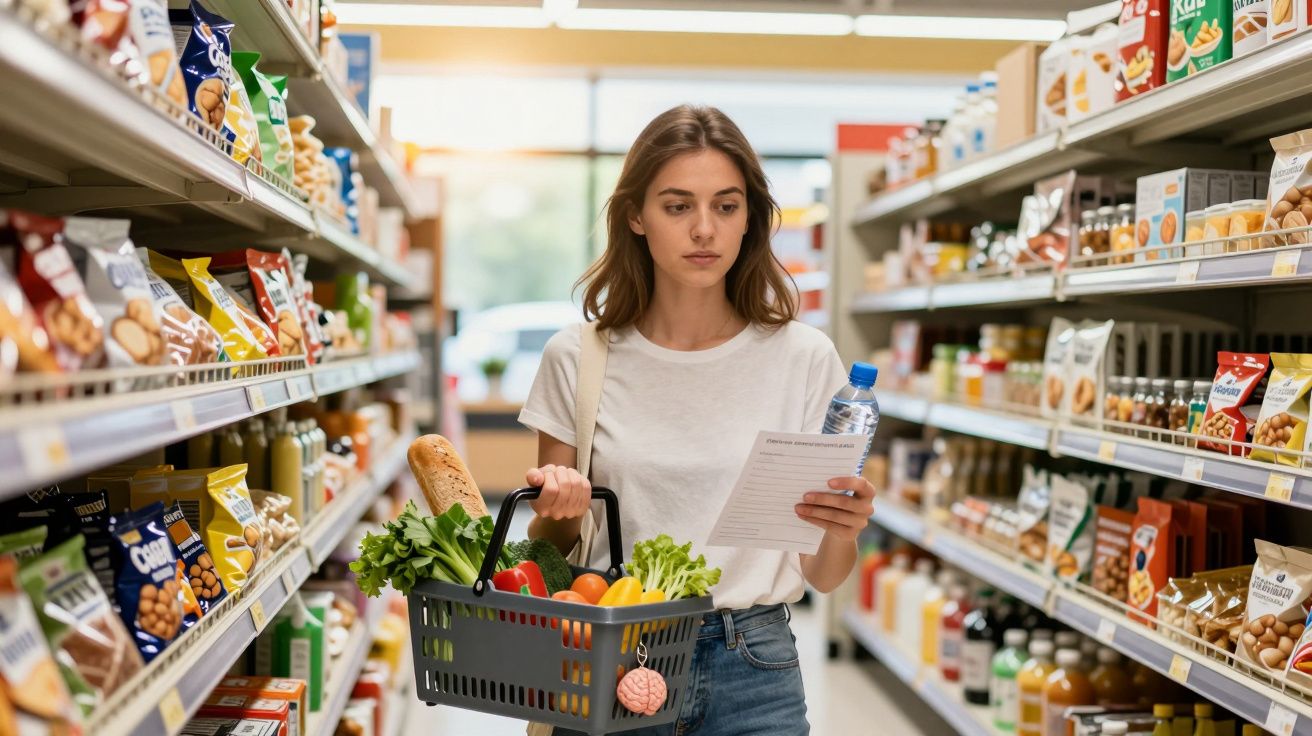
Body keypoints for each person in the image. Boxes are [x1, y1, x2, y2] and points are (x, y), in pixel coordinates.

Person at [519, 105, 875, 736]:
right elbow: (550, 551)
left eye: (726, 206)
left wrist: (843, 530)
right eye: (678, 206)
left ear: (750, 218)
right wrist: (560, 505)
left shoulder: (804, 358)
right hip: (611, 652)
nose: (705, 229)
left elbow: (823, 575)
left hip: (754, 669)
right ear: (636, 216)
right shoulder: (577, 357)